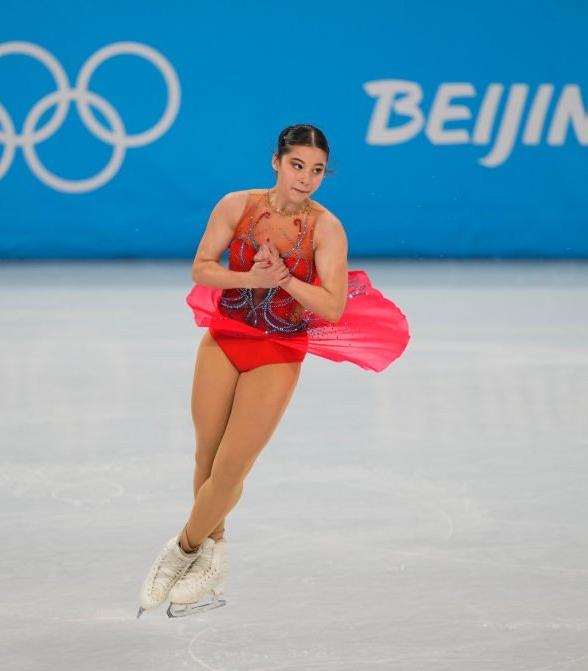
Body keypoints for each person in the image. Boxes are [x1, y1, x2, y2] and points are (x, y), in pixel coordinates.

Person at [137, 124, 409, 618]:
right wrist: (250, 278)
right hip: (224, 339)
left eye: (318, 170)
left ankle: (181, 551)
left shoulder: (327, 228)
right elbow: (202, 268)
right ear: (276, 163)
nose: (306, 179)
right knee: (206, 455)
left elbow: (330, 306)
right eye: (297, 166)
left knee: (232, 467)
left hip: (278, 351)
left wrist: (284, 280)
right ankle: (213, 555)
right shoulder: (236, 206)